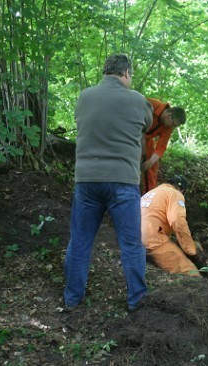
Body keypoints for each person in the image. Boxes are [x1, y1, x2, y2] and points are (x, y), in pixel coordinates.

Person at [63, 54, 153, 311]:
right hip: (123, 181)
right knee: (131, 244)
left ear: (105, 72)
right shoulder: (137, 100)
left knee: (79, 241)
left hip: (87, 181)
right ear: (126, 73)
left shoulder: (84, 96)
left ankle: (72, 299)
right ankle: (137, 300)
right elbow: (147, 124)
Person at [141, 175, 204, 276]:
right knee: (191, 272)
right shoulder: (175, 194)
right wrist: (191, 248)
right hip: (151, 239)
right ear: (182, 190)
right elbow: (177, 221)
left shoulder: (152, 193)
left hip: (132, 237)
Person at [141, 98, 186, 194]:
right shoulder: (151, 103)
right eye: (173, 124)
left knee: (152, 167)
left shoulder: (168, 128)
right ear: (168, 115)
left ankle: (149, 196)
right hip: (130, 133)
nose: (172, 127)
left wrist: (150, 162)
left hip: (147, 140)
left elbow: (161, 147)